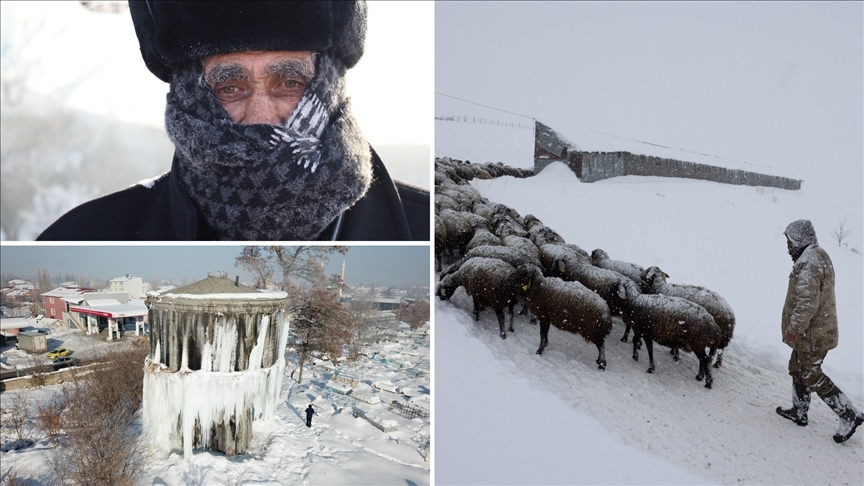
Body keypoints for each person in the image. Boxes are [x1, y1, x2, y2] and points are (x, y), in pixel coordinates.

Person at [37, 1, 429, 241]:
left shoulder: (424, 230)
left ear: (328, 87)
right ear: (191, 95)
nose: (261, 117)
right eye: (230, 87)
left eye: (289, 82)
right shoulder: (87, 235)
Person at [776, 219, 864, 443]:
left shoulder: (810, 262)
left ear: (799, 240)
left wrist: (794, 329)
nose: (788, 247)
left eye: (789, 242)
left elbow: (807, 302)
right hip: (813, 331)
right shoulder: (815, 256)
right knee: (797, 368)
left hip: (811, 335)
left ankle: (848, 413)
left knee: (810, 374)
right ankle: (799, 411)